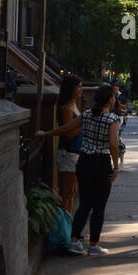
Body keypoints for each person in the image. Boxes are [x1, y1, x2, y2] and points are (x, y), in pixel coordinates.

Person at [68, 82, 122, 256]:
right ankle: (93, 245)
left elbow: (67, 128)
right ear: (109, 100)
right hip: (101, 162)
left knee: (84, 204)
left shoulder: (86, 115)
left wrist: (46, 133)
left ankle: (74, 241)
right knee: (99, 205)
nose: (115, 100)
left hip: (84, 160)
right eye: (113, 97)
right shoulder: (112, 119)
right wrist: (116, 166)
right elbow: (113, 144)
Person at [36, 75, 83, 214]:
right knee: (66, 193)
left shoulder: (74, 105)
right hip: (68, 153)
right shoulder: (66, 108)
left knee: (72, 192)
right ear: (71, 89)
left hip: (75, 153)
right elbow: (67, 132)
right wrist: (83, 124)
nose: (81, 89)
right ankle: (64, 227)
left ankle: (69, 226)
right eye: (78, 87)